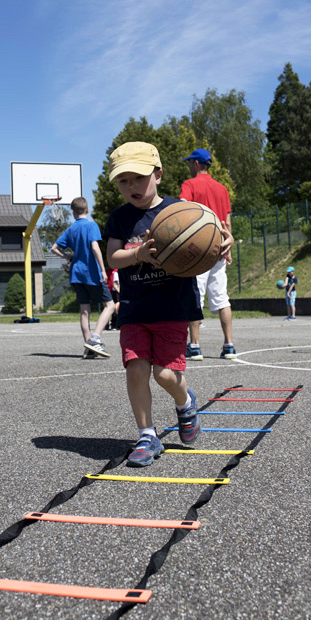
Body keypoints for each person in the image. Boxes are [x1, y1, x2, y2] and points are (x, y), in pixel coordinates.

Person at [104, 141, 203, 467]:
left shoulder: (180, 210)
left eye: (138, 178)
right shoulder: (119, 218)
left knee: (164, 374)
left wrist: (223, 239)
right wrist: (138, 254)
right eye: (123, 181)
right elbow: (113, 257)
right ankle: (147, 435)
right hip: (135, 308)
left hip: (172, 307)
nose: (131, 186)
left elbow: (211, 232)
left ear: (158, 174)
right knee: (136, 369)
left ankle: (185, 401)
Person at [179, 148, 236, 360]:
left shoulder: (190, 184)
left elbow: (183, 209)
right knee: (222, 298)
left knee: (195, 296)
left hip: (198, 247)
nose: (188, 165)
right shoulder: (222, 188)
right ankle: (229, 346)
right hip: (219, 247)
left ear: (196, 163)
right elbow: (227, 222)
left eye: (189, 162)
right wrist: (229, 248)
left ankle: (194, 346)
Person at [51, 196, 115, 358]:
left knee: (84, 311)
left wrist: (67, 256)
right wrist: (103, 270)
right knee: (110, 306)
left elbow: (54, 248)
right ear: (88, 209)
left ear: (73, 212)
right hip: (91, 273)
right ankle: (95, 339)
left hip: (76, 274)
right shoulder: (91, 225)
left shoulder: (71, 229)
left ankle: (89, 348)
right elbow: (95, 247)